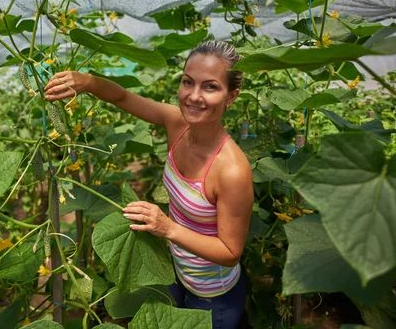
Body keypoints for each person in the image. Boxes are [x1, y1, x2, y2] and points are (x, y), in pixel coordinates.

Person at [44, 40, 253, 329]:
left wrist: (166, 228)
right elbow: (123, 98)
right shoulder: (177, 124)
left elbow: (230, 253)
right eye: (187, 82)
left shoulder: (232, 171)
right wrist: (87, 82)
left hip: (212, 295)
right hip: (176, 271)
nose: (194, 96)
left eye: (210, 87)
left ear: (231, 97)